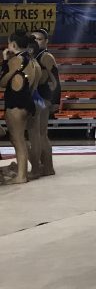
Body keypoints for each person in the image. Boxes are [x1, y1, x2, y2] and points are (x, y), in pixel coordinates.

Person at [2, 31, 42, 184]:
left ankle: (21, 175)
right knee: (22, 140)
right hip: (27, 102)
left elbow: (3, 81)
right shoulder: (32, 61)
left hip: (16, 104)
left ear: (13, 45)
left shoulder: (16, 60)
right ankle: (25, 172)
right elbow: (34, 84)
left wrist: (5, 60)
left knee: (17, 141)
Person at [29, 28, 58, 177]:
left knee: (40, 133)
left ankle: (47, 166)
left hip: (42, 97)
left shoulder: (46, 56)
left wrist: (55, 101)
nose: (36, 41)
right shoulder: (34, 55)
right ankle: (43, 165)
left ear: (46, 41)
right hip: (37, 96)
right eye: (33, 38)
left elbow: (56, 80)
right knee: (37, 134)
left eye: (39, 39)